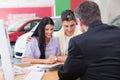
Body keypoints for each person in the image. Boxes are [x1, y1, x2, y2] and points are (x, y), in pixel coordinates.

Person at [58, 1, 120, 80]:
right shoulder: (117, 32)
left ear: (80, 22)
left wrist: (60, 68)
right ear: (99, 17)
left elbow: (66, 75)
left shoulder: (78, 42)